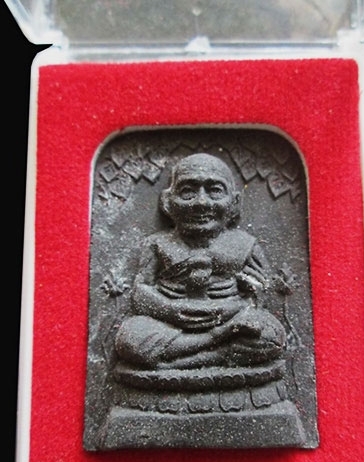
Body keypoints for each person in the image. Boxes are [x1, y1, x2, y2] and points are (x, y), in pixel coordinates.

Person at [115, 153, 286, 370]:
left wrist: (243, 302)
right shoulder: (157, 244)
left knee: (271, 335)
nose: (201, 203)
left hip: (230, 319)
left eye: (215, 191)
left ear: (234, 203)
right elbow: (140, 291)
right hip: (170, 324)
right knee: (130, 337)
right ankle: (214, 347)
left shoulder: (245, 245)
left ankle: (182, 361)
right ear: (167, 201)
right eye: (188, 191)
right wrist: (170, 309)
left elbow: (261, 291)